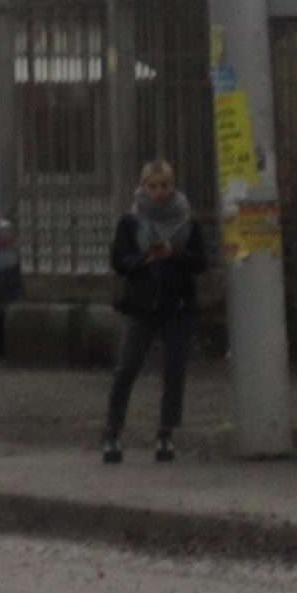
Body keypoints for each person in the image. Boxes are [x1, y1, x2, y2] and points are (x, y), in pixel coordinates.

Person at [102, 158, 206, 463]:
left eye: (164, 186)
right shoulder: (131, 222)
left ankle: (165, 434)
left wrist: (174, 254)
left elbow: (201, 261)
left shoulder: (187, 221)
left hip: (177, 305)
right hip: (141, 304)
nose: (159, 192)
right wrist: (143, 260)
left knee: (174, 371)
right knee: (127, 368)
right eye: (153, 186)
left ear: (173, 187)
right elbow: (119, 261)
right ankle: (112, 432)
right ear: (143, 187)